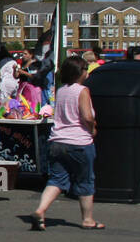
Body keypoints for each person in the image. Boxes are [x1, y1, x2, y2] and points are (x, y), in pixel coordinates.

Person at [30, 56, 102, 230]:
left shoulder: (61, 90)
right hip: (79, 142)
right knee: (85, 180)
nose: (87, 72)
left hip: (57, 140)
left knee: (56, 180)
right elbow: (86, 116)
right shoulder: (82, 90)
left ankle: (41, 210)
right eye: (86, 69)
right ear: (80, 72)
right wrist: (92, 127)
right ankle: (87, 219)